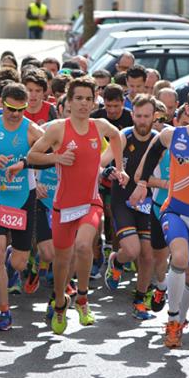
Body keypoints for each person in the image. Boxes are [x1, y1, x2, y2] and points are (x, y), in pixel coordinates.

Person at [26, 78, 127, 334]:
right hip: (63, 205)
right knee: (61, 261)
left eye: (88, 99)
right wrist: (57, 157)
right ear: (69, 102)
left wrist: (119, 168)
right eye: (78, 98)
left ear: (94, 103)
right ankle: (60, 303)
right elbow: (32, 156)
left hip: (90, 201)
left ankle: (82, 298)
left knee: (83, 246)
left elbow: (118, 137)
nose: (83, 103)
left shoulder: (99, 126)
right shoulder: (57, 129)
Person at [131, 86, 189, 347]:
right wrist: (143, 183)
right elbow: (152, 154)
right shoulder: (172, 135)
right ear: (187, 109)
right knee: (179, 257)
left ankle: (181, 318)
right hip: (174, 209)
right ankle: (172, 320)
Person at [0, 83, 45, 330]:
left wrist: (26, 163)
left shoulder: (34, 131)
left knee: (19, 263)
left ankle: (11, 261)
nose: (16, 114)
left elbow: (49, 157)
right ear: (1, 103)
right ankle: (4, 312)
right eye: (10, 109)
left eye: (21, 109)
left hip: (23, 196)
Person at [104, 94, 158, 320]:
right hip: (122, 201)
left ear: (154, 116)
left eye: (147, 116)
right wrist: (108, 170)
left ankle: (140, 301)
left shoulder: (159, 140)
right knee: (132, 250)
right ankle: (116, 261)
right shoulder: (124, 136)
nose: (142, 121)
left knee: (148, 255)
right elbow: (103, 160)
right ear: (132, 115)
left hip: (146, 203)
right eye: (138, 116)